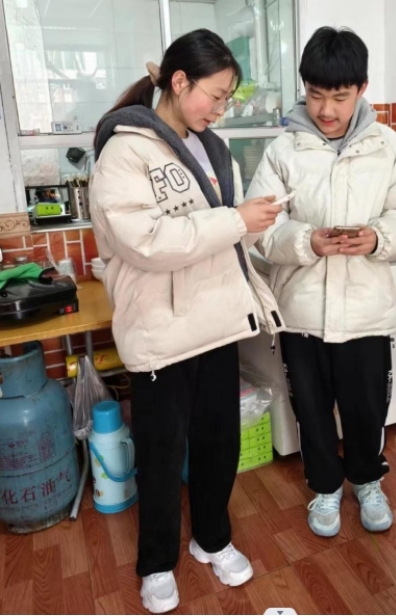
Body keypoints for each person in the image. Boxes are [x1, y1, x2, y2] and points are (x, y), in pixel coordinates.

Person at [90, 29, 283, 615]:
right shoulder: (125, 150)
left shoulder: (212, 147)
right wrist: (236, 220)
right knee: (160, 451)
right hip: (161, 332)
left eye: (227, 99)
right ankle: (156, 563)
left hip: (217, 321)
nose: (221, 109)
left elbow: (222, 233)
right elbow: (147, 241)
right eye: (216, 96)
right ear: (179, 82)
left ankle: (212, 539)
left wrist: (255, 222)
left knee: (219, 443)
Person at [247, 27, 396, 538]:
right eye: (316, 94)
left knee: (366, 409)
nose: (326, 109)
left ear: (362, 89)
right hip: (301, 313)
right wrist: (306, 241)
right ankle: (325, 488)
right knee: (311, 410)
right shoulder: (283, 150)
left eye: (340, 96)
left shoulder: (386, 146)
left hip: (366, 312)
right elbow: (260, 229)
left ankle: (368, 481)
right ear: (304, 88)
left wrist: (378, 238)